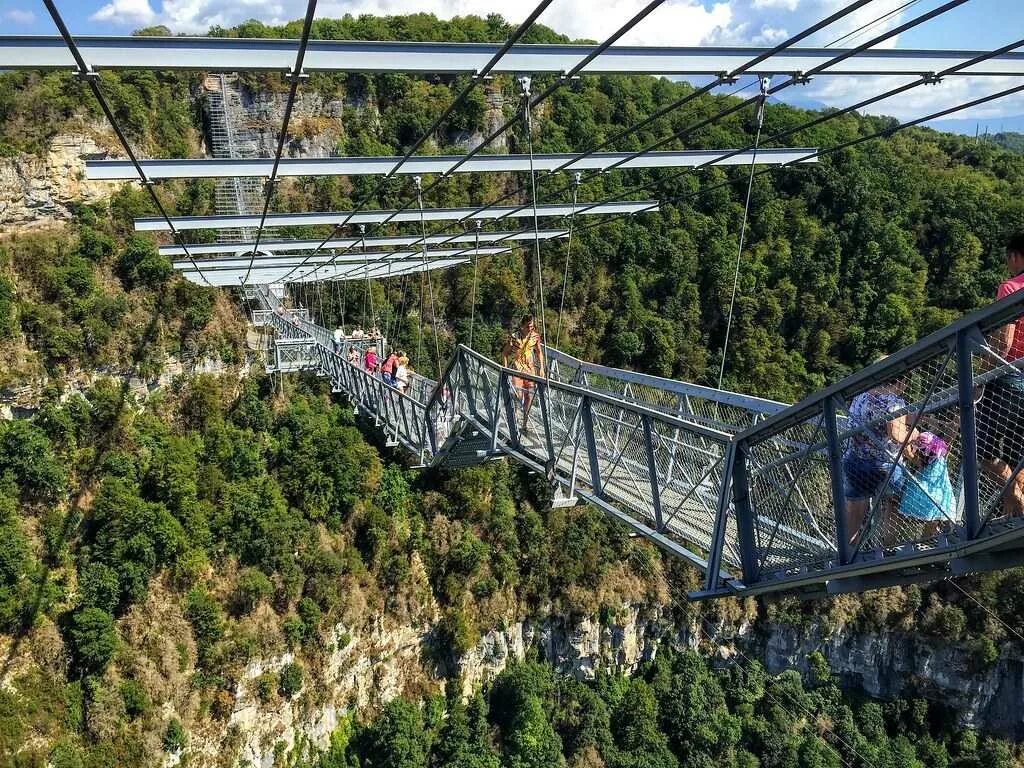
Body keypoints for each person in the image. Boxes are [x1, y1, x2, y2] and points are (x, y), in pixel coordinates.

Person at [976, 232, 1024, 518]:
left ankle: (1018, 502)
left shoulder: (1010, 288)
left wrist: (982, 375)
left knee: (985, 453)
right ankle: (1013, 516)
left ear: (1015, 256)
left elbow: (1003, 342)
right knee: (1018, 454)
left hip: (1008, 377)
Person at [842, 375, 918, 547]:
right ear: (900, 381)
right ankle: (888, 547)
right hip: (885, 466)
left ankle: (848, 554)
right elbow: (896, 434)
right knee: (893, 503)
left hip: (855, 461)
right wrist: (914, 434)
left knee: (855, 506)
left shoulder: (861, 395)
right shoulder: (895, 401)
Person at [899, 431, 956, 538]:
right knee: (934, 518)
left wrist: (909, 443)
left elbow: (908, 452)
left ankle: (926, 539)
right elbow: (950, 435)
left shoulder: (921, 464)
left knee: (931, 519)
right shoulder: (941, 458)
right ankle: (928, 539)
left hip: (924, 495)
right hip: (939, 495)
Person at [502, 315, 544, 431]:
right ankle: (514, 416)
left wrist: (541, 368)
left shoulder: (535, 336)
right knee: (518, 395)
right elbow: (505, 353)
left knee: (529, 396)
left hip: (530, 369)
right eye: (528, 326)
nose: (531, 328)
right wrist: (505, 370)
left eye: (532, 326)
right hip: (517, 368)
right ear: (522, 325)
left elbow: (539, 352)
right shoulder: (514, 337)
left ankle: (524, 423)